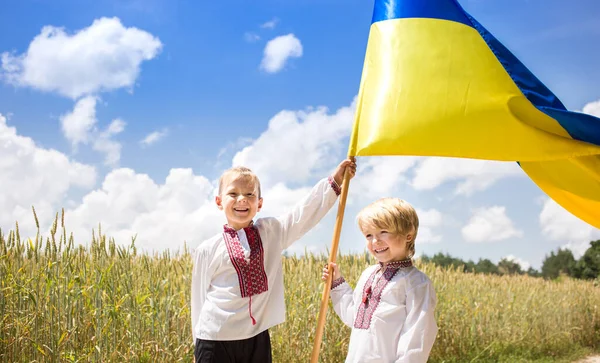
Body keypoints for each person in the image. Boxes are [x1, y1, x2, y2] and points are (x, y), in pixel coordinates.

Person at [191, 158, 357, 363]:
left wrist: (336, 180)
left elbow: (302, 215)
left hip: (257, 337)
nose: (242, 199)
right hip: (215, 339)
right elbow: (198, 300)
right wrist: (196, 344)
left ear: (259, 203)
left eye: (250, 194)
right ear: (219, 201)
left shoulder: (271, 232)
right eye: (233, 194)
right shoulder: (207, 249)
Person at [321, 198, 438, 362]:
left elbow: (417, 335)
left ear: (408, 235)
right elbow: (353, 317)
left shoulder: (416, 282)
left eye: (383, 231)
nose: (375, 241)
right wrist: (337, 284)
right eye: (369, 235)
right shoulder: (368, 274)